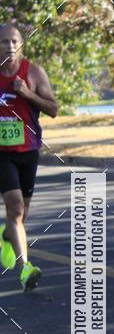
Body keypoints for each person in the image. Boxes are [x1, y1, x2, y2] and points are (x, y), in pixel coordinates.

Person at [0, 23, 58, 290]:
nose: (10, 46)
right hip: (2, 154)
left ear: (21, 45)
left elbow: (53, 109)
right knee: (15, 207)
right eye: (4, 42)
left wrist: (26, 92)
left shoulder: (33, 72)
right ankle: (25, 269)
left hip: (29, 150)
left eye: (14, 42)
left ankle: (7, 236)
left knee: (21, 216)